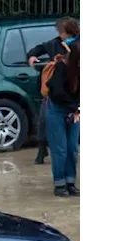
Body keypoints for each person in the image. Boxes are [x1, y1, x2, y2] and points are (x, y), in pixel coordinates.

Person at [27, 17, 82, 165]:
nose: (60, 35)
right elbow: (40, 48)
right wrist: (32, 56)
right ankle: (42, 149)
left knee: (72, 126)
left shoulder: (78, 45)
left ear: (70, 31)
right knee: (44, 119)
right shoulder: (56, 43)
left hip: (75, 91)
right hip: (56, 91)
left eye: (61, 32)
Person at [37, 32, 83, 197]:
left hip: (74, 109)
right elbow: (56, 91)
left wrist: (78, 108)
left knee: (72, 148)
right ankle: (59, 184)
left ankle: (70, 182)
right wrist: (74, 107)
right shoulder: (63, 67)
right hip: (56, 109)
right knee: (60, 149)